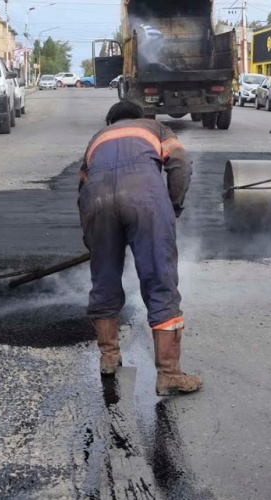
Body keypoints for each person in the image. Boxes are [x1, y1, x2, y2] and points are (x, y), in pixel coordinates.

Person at [78, 100, 202, 396]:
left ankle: (108, 357)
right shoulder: (156, 128)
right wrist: (172, 206)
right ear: (139, 117)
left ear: (112, 121)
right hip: (144, 201)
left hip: (97, 204)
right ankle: (169, 374)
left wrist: (92, 236)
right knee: (160, 281)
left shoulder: (97, 139)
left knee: (104, 280)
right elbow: (181, 163)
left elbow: (82, 187)